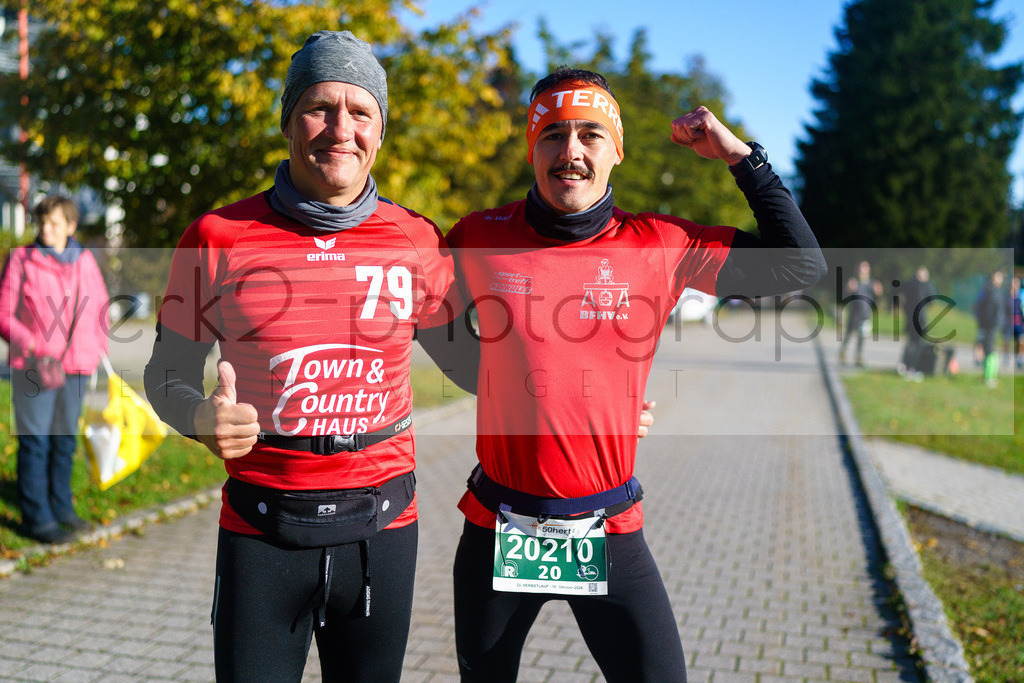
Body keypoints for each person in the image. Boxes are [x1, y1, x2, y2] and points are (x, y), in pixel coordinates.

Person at [441, 67, 826, 681]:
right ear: (532, 148)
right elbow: (418, 318)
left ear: (616, 150)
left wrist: (740, 157)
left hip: (607, 527)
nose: (570, 152)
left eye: (590, 135)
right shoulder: (477, 237)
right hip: (498, 527)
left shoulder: (661, 244)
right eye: (553, 135)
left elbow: (799, 266)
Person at [143, 31, 464, 680]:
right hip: (263, 530)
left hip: (382, 527)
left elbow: (477, 368)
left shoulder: (417, 239)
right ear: (288, 120)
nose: (340, 128)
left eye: (361, 111)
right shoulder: (217, 235)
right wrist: (200, 417)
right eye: (319, 107)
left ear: (380, 132)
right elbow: (165, 374)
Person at [0, 195, 109, 544]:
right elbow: (4, 315)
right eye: (42, 222)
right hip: (35, 366)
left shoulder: (85, 261)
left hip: (77, 367)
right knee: (35, 443)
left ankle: (61, 508)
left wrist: (98, 354)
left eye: (54, 223)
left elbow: (101, 308)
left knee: (63, 443)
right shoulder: (22, 259)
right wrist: (33, 345)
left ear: (71, 227)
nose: (45, 229)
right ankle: (37, 519)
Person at [838, 260, 882, 367]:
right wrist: (849, 289)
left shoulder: (872, 282)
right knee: (849, 334)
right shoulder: (854, 281)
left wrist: (879, 291)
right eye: (861, 268)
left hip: (865, 314)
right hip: (854, 314)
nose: (863, 270)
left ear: (869, 270)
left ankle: (859, 357)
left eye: (865, 267)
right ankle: (843, 352)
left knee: (862, 336)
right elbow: (844, 295)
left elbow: (879, 295)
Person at [898, 265, 936, 379]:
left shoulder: (909, 284)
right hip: (920, 318)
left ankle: (903, 364)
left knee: (910, 342)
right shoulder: (924, 286)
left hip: (911, 317)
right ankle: (911, 367)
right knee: (918, 343)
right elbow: (931, 299)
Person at [974, 270, 1006, 388]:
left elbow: (999, 311)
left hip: (992, 327)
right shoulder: (987, 291)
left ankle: (990, 377)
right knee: (986, 349)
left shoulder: (997, 293)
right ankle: (987, 376)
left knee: (990, 351)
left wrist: (996, 324)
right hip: (985, 325)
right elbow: (980, 307)